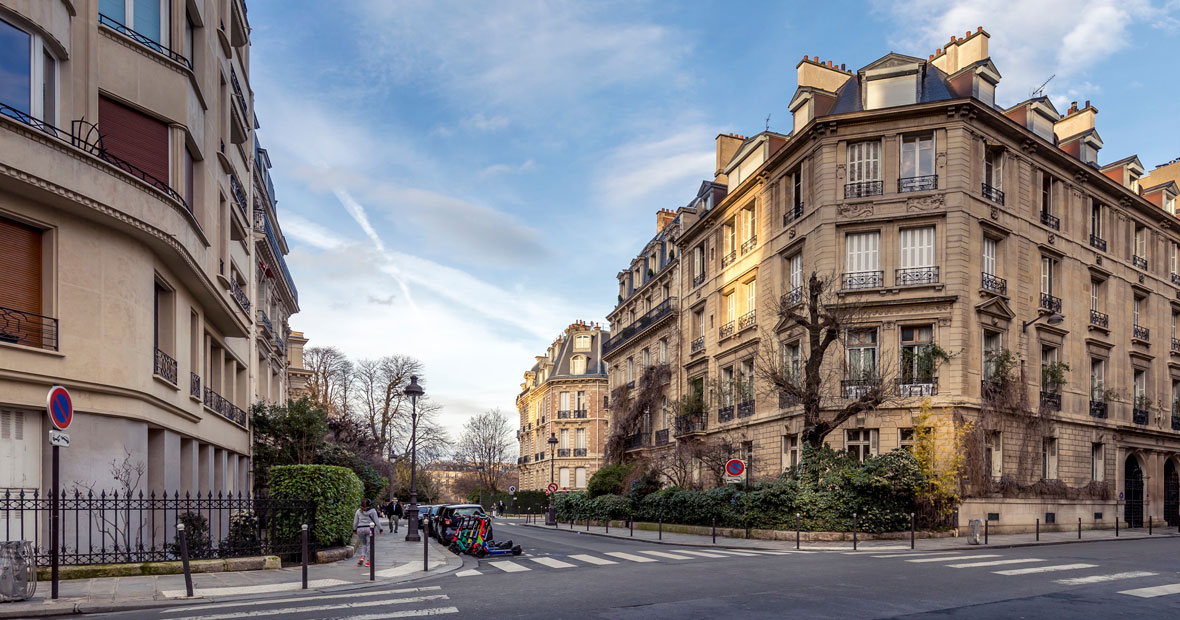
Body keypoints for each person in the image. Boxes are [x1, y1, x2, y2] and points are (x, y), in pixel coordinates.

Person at [353, 499, 382, 567]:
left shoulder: (358, 511)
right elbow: (376, 521)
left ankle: (362, 557)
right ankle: (368, 561)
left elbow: (355, 522)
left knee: (364, 544)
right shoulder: (373, 511)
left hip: (360, 529)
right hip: (370, 529)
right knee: (370, 545)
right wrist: (380, 529)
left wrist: (354, 529)